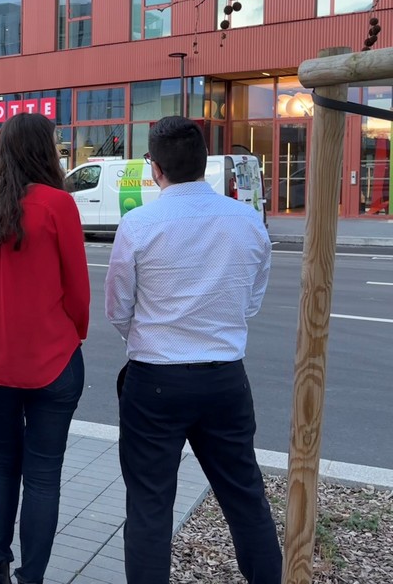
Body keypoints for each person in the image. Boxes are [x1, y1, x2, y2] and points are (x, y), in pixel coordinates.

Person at [104, 116, 281, 584]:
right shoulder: (246, 220)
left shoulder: (138, 224)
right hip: (224, 376)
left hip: (155, 378)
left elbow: (118, 307)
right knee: (245, 498)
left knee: (149, 506)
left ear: (154, 168)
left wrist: (145, 337)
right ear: (205, 164)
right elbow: (252, 299)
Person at [0, 113, 90, 584]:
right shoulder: (58, 204)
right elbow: (78, 290)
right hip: (51, 359)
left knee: (2, 460)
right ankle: (30, 577)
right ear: (45, 149)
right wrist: (74, 332)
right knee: (42, 473)